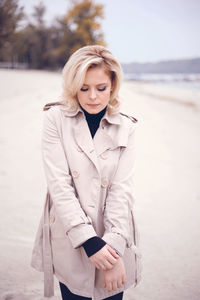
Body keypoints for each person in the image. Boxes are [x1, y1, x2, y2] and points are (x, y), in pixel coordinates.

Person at [31, 45, 142, 300]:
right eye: (84, 88)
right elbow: (60, 185)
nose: (93, 96)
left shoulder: (127, 126)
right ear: (73, 86)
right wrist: (89, 242)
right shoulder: (55, 119)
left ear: (113, 85)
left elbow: (121, 190)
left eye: (101, 88)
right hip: (70, 234)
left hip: (114, 230)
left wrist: (112, 250)